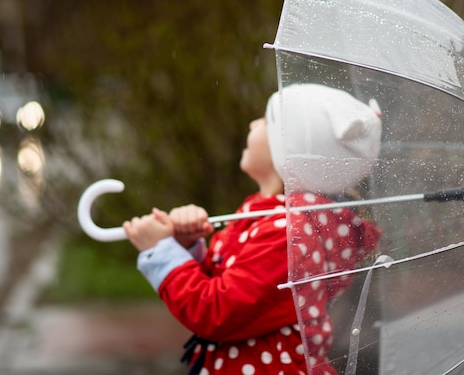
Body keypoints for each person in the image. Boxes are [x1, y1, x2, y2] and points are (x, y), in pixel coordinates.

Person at [123, 83, 383, 375]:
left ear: (289, 149)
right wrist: (187, 248)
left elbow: (218, 312)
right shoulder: (270, 218)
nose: (253, 123)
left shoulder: (288, 234)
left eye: (265, 119)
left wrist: (162, 253)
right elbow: (231, 288)